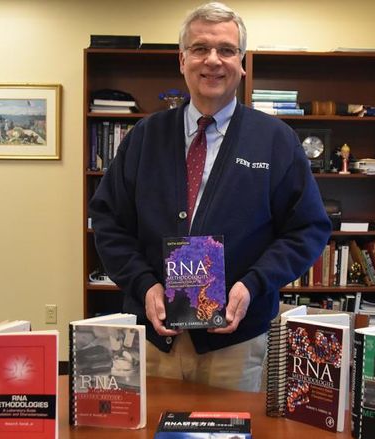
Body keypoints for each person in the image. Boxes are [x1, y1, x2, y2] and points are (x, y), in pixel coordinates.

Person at [89, 2, 330, 392]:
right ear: (181, 60)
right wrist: (144, 284)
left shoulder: (275, 140)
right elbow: (108, 221)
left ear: (242, 62)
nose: (213, 61)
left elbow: (309, 228)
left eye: (226, 50)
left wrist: (252, 285)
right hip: (153, 340)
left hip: (234, 344)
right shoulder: (144, 137)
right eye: (200, 49)